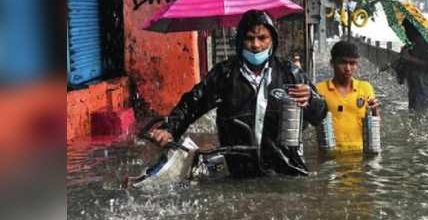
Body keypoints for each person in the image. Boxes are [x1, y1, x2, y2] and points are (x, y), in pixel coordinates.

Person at [149, 10, 327, 178]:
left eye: (262, 38)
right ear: (240, 40)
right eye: (249, 38)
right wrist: (169, 129)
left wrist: (311, 99)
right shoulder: (224, 74)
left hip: (286, 172)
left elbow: (320, 115)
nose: (256, 45)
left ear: (272, 40)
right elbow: (192, 103)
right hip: (240, 174)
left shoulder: (291, 73)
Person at [315, 41, 380, 152]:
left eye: (352, 63)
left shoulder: (365, 88)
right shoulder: (319, 90)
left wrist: (375, 110)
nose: (348, 68)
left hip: (360, 153)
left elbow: (375, 124)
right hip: (329, 155)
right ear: (332, 63)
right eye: (343, 63)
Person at [396, 19, 428, 111]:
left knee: (424, 118)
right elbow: (400, 79)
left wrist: (410, 59)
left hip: (426, 96)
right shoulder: (409, 48)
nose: (406, 33)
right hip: (414, 96)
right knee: (414, 119)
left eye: (407, 29)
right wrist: (402, 60)